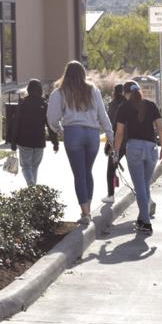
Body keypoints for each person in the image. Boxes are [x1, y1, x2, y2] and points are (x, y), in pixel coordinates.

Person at [46, 61, 114, 224]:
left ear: (66, 73)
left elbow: (52, 118)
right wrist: (111, 137)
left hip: (73, 132)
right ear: (83, 73)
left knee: (79, 174)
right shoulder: (93, 90)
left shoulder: (60, 92)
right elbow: (103, 116)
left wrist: (59, 130)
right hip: (92, 134)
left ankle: (85, 213)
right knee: (87, 171)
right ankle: (88, 207)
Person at [112, 79, 162, 234]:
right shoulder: (151, 105)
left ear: (126, 93)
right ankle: (142, 218)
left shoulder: (124, 107)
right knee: (144, 185)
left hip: (134, 149)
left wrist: (116, 153)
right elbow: (160, 129)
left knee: (140, 187)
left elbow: (119, 133)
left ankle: (146, 223)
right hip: (151, 149)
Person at [7, 79, 59, 186]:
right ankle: (33, 190)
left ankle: (31, 185)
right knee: (34, 166)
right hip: (39, 141)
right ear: (40, 90)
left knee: (26, 167)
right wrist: (55, 142)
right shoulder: (44, 104)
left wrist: (13, 142)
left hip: (24, 141)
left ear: (28, 90)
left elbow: (16, 123)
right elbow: (50, 125)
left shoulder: (23, 103)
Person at [104, 83, 126, 203]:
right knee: (135, 170)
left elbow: (111, 125)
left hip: (117, 141)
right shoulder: (129, 104)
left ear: (114, 92)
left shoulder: (113, 105)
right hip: (130, 141)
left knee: (110, 170)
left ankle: (111, 195)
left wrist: (109, 142)